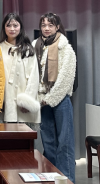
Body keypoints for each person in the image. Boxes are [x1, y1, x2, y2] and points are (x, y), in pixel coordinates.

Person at [34, 12, 76, 183]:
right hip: (42, 101)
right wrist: (40, 98)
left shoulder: (65, 48)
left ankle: (67, 180)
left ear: (57, 27)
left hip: (60, 100)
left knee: (65, 143)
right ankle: (51, 179)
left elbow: (66, 78)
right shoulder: (36, 46)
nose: (46, 28)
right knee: (48, 143)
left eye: (50, 25)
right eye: (43, 25)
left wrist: (50, 98)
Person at [0, 13, 41, 129]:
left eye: (15, 25)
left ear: (20, 27)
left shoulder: (28, 49)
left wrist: (27, 101)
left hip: (23, 103)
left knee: (26, 135)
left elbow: (34, 77)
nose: (12, 29)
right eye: (8, 25)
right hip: (5, 101)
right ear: (4, 28)